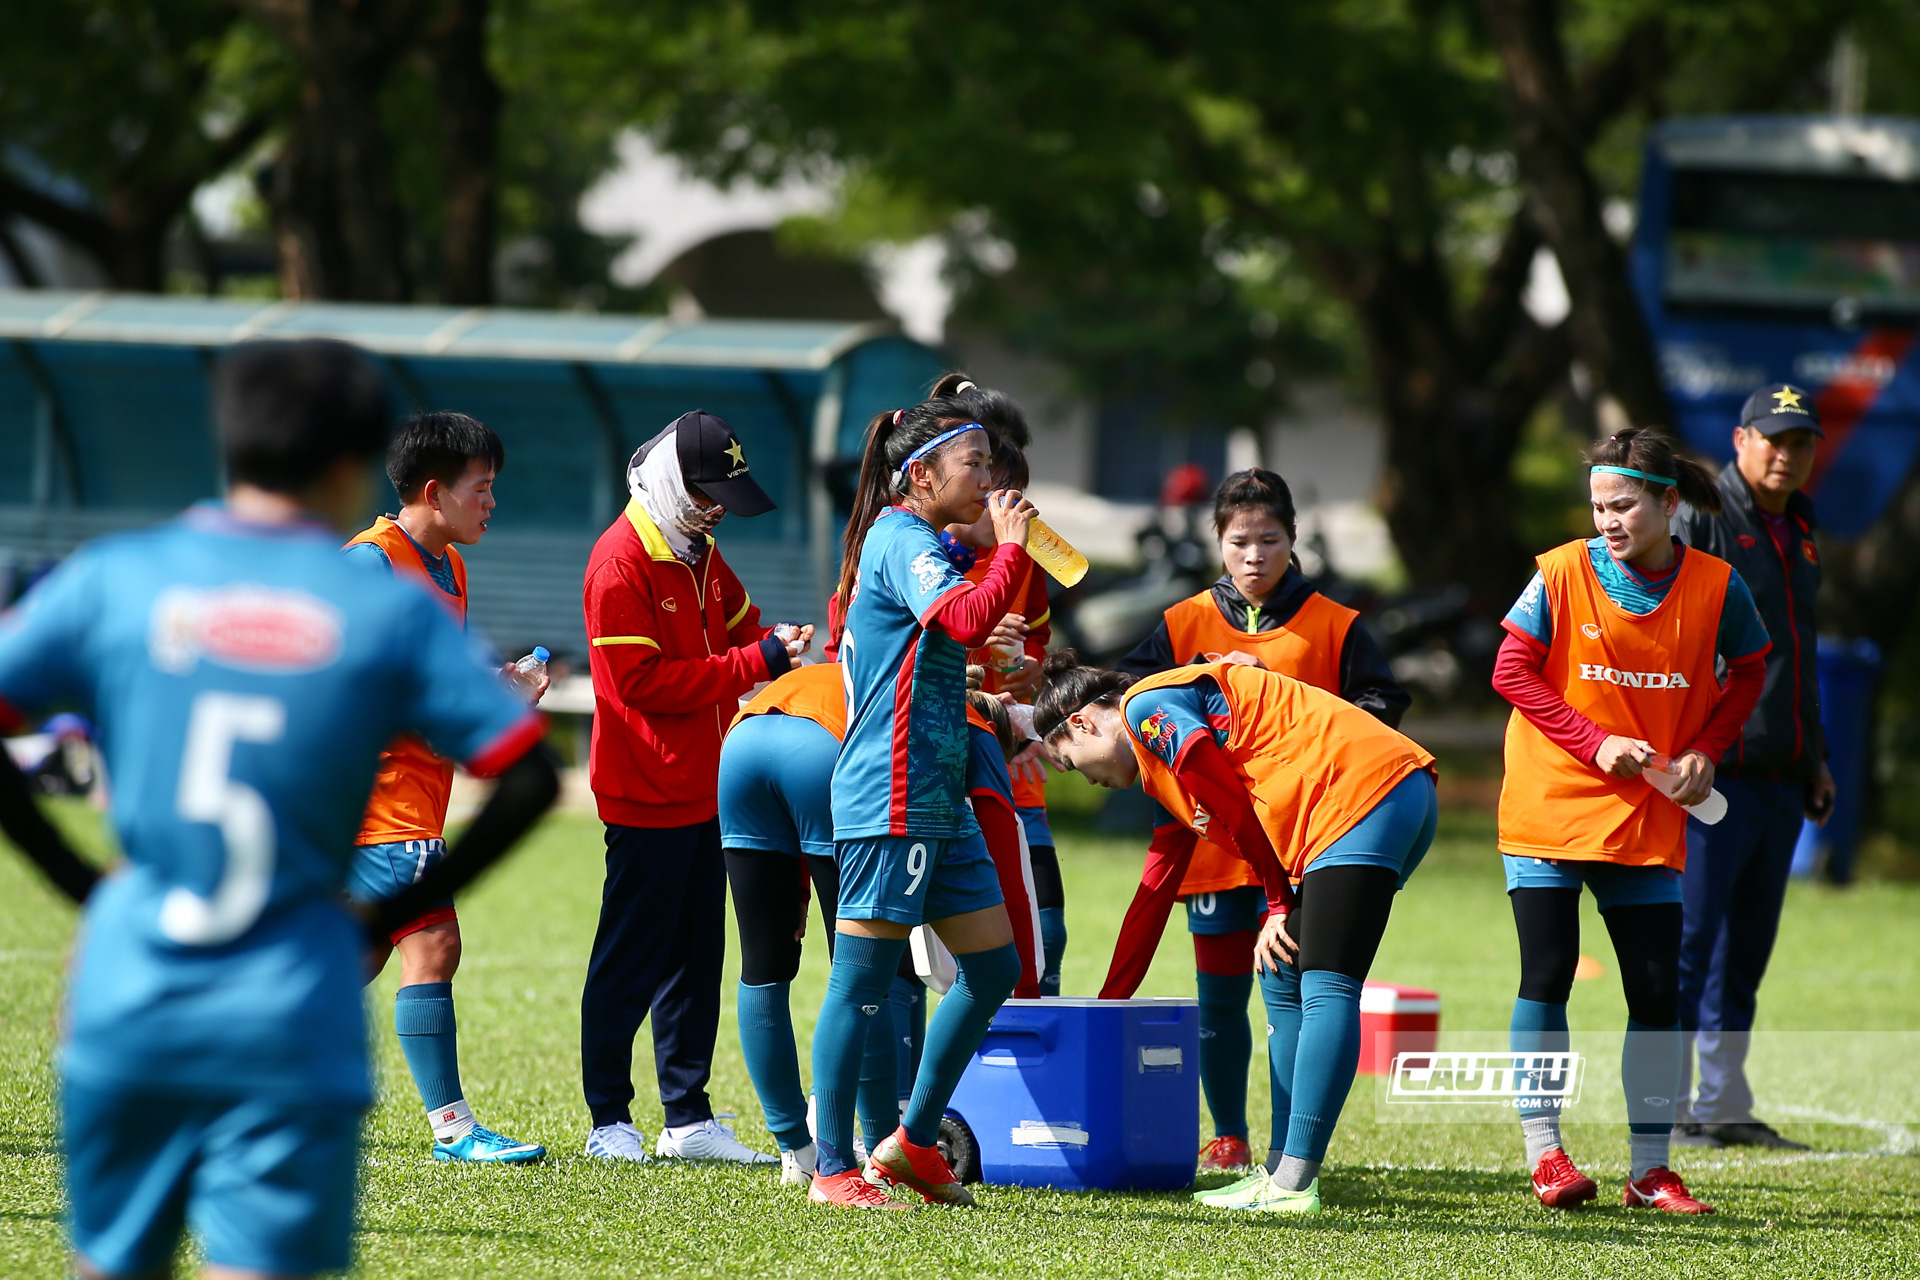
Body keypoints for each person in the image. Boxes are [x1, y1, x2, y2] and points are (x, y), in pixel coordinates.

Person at [0, 338, 558, 1280]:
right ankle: (450, 1118)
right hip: (287, 997)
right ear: (354, 466)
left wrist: (84, 889)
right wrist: (380, 918)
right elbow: (532, 778)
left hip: (129, 984)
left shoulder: (117, 576)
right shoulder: (378, 603)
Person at [1037, 650, 1437, 1216]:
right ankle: (1280, 1169)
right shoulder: (1161, 780)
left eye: (1072, 763)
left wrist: (1276, 900)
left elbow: (1226, 792)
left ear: (1081, 723)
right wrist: (1107, 1010)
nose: (1089, 780)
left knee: (1327, 985)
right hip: (1374, 803)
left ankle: (1295, 1183)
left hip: (1362, 797)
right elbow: (1150, 899)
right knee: (1283, 968)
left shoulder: (1147, 707)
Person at [1491, 427, 1770, 1215]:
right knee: (1547, 974)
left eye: (1624, 505)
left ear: (1668, 503)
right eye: (1598, 507)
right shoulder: (1560, 572)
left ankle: (1651, 1169)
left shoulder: (1718, 586)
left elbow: (1750, 670)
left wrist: (1709, 748)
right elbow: (1509, 671)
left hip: (1646, 815)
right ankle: (1546, 1156)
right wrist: (1591, 739)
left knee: (1653, 994)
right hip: (1549, 803)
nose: (1608, 520)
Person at [1116, 467, 1408, 1174]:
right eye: (1240, 542)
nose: (1255, 557)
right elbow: (1131, 694)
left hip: (1307, 836)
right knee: (1219, 998)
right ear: (1219, 542)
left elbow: (1382, 703)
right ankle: (1228, 1134)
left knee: (1292, 999)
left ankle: (1287, 1149)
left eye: (1269, 541)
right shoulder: (1181, 622)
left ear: (1293, 540)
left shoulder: (1337, 624)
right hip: (1217, 841)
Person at [809, 394, 1036, 1207]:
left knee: (993, 968)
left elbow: (954, 636)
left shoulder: (928, 544)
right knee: (860, 981)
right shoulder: (899, 537)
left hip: (939, 793)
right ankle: (832, 1166)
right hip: (890, 792)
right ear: (922, 475)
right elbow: (968, 616)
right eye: (974, 465)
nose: (988, 480)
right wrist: (1009, 553)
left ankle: (910, 1141)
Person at [580, 409, 811, 1165]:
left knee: (696, 957)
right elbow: (640, 684)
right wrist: (759, 664)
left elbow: (747, 630)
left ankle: (687, 1119)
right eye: (708, 494)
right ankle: (609, 1120)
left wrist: (798, 647)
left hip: (708, 791)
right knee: (631, 956)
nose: (716, 509)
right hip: (645, 792)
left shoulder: (698, 548)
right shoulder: (621, 560)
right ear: (673, 483)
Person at [720, 662, 1041, 1187]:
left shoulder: (915, 686)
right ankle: (872, 1148)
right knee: (871, 974)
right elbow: (1003, 853)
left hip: (745, 739)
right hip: (827, 750)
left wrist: (797, 887)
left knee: (764, 964)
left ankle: (795, 1151)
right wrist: (1024, 984)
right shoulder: (976, 733)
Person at [341, 411, 547, 1164]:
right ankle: (454, 1130)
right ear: (434, 491)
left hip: (412, 795)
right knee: (432, 940)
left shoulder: (451, 568)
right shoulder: (368, 564)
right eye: (482, 488)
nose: (492, 502)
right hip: (375, 799)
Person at [1670, 384, 1833, 1150]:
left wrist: (1818, 757)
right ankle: (1668, 1103)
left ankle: (1723, 1104)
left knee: (1746, 956)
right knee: (1690, 944)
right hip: (1712, 774)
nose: (1785, 454)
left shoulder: (1799, 529)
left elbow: (1795, 657)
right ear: (1740, 442)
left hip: (1779, 775)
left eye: (1800, 442)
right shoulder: (1706, 518)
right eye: (1772, 439)